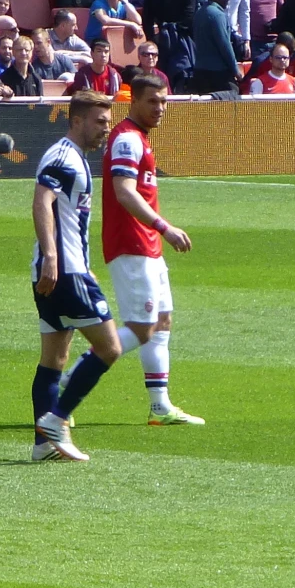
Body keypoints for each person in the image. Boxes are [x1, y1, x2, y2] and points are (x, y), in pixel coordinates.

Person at [30, 91, 129, 462]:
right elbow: (42, 201)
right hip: (65, 272)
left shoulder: (75, 158)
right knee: (110, 347)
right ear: (77, 120)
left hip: (64, 269)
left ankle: (43, 445)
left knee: (53, 359)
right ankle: (56, 421)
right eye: (100, 122)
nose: (106, 129)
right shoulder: (62, 156)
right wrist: (52, 258)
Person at [103, 71, 202, 427]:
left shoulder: (140, 137)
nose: (161, 108)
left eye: (164, 101)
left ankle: (160, 406)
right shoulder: (127, 140)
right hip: (131, 243)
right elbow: (124, 191)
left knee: (162, 323)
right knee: (143, 326)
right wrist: (165, 227)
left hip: (147, 245)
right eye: (153, 102)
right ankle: (68, 380)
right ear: (134, 101)